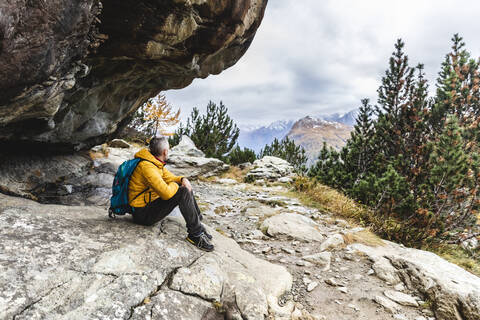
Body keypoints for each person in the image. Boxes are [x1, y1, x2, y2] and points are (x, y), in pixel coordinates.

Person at [128, 136, 214, 251]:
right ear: (165, 152)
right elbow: (166, 194)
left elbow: (171, 177)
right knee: (182, 191)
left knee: (183, 185)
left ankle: (198, 225)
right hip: (142, 214)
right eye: (169, 149)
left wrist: (182, 179)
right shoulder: (147, 167)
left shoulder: (154, 162)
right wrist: (178, 184)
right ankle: (195, 235)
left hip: (149, 205)